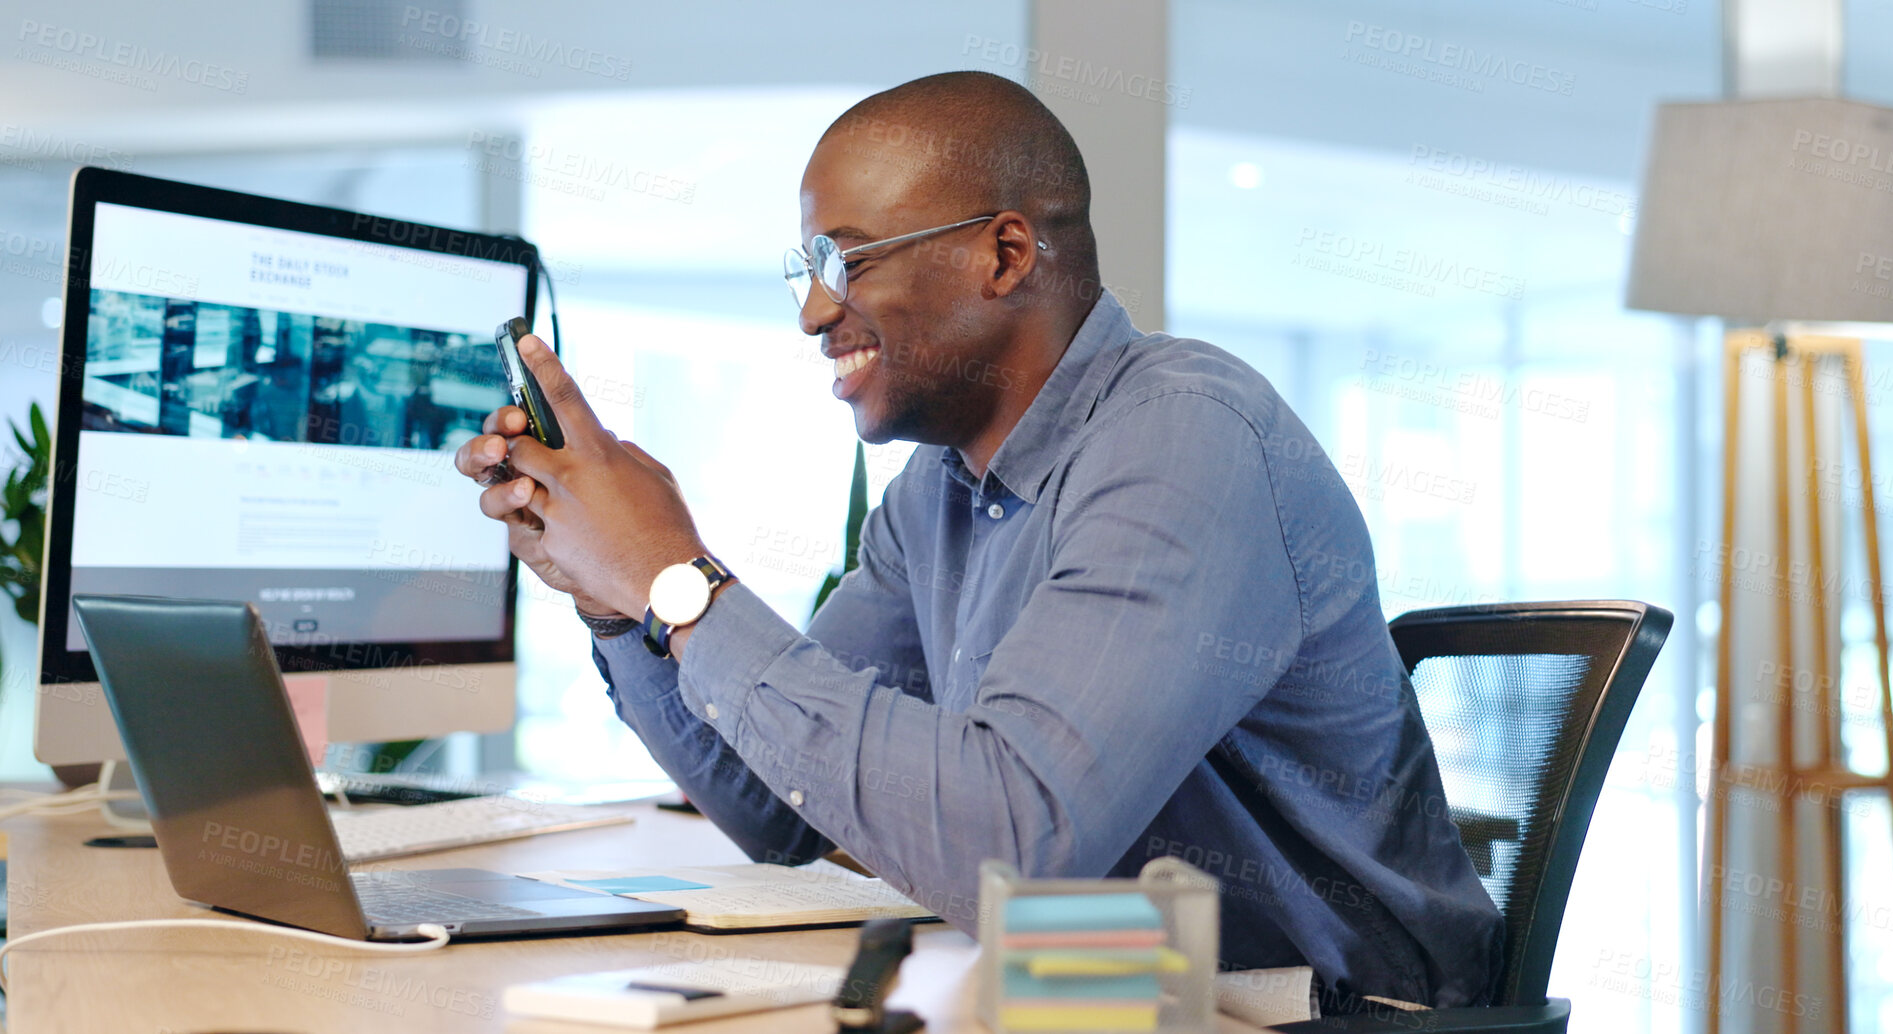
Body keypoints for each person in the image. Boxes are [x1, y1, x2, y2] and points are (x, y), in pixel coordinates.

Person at [456, 71, 1503, 1011]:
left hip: (1324, 1008)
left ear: (1003, 255)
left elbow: (1012, 843)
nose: (815, 311)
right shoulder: (937, 494)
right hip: (1112, 983)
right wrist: (610, 591)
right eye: (802, 268)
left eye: (843, 260)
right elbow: (775, 805)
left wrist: (673, 577)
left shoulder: (1183, 436)